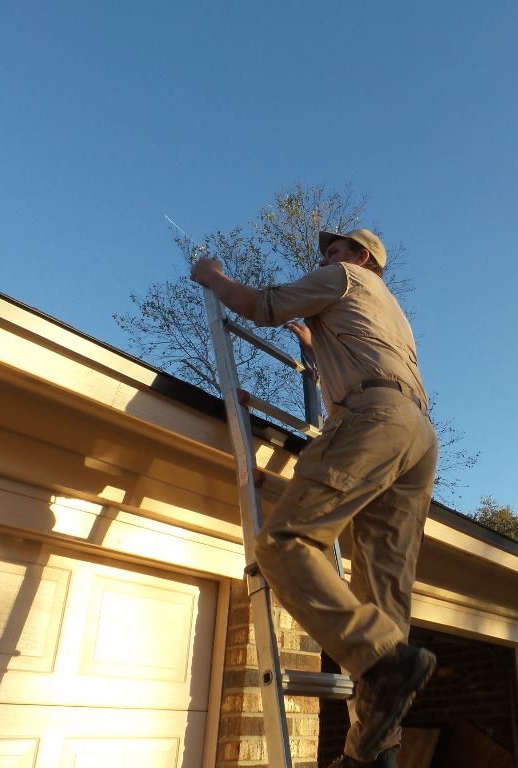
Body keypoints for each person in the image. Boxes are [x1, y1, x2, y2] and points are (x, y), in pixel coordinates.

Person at [191, 228, 438, 767]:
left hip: (374, 416)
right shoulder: (392, 313)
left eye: (337, 248)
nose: (325, 256)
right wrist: (316, 350)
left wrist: (213, 277)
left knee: (282, 543)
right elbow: (356, 480)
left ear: (363, 257)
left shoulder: (345, 279)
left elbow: (262, 306)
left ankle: (382, 661)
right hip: (416, 435)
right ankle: (373, 753)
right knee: (383, 599)